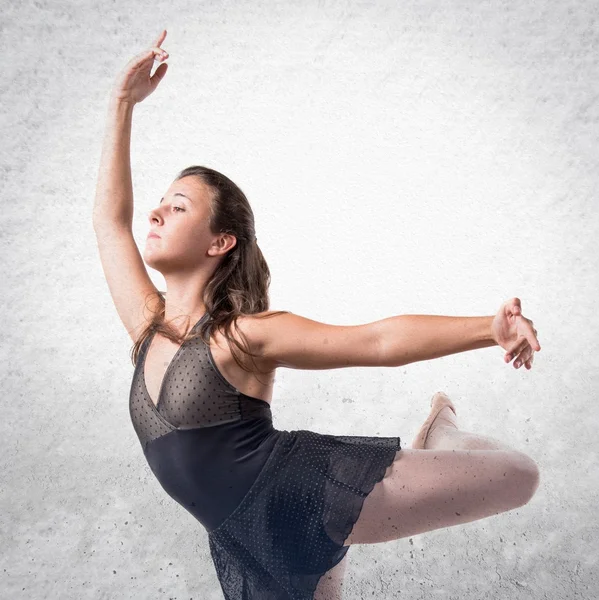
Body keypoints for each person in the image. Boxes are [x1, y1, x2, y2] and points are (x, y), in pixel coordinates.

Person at [93, 30, 542, 600]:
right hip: (244, 539)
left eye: (177, 207)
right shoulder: (145, 326)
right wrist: (121, 104)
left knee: (519, 476)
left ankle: (442, 434)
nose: (155, 211)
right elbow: (110, 221)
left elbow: (376, 341)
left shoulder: (242, 336)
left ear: (219, 243)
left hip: (303, 492)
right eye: (161, 201)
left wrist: (489, 328)